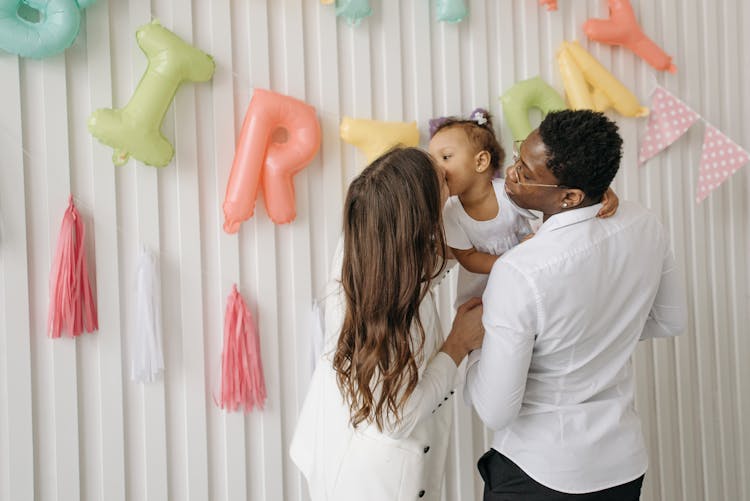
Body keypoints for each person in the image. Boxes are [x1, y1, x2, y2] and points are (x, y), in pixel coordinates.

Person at [464, 109, 688, 500]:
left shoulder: (519, 271)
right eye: (519, 156)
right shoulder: (645, 223)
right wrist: (595, 335)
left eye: (525, 172)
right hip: (621, 468)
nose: (512, 173)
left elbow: (496, 410)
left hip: (539, 472)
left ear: (570, 196)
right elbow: (670, 321)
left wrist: (472, 349)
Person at [290, 147, 485, 501]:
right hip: (370, 478)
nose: (449, 175)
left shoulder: (371, 239)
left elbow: (433, 261)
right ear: (420, 215)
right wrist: (458, 344)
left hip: (340, 447)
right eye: (441, 177)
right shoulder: (384, 307)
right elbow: (396, 420)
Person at [428, 108, 618, 306]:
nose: (437, 168)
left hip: (529, 285)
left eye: (446, 157)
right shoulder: (449, 211)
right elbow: (468, 258)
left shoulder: (510, 192)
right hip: (482, 295)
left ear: (481, 161)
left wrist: (604, 193)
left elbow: (557, 201)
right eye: (432, 160)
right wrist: (515, 260)